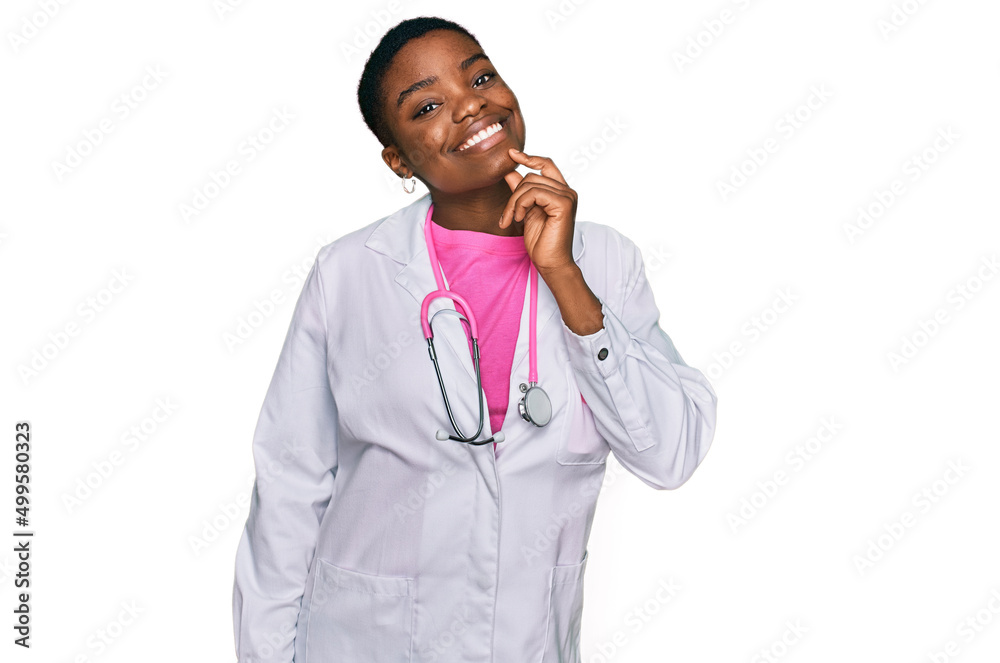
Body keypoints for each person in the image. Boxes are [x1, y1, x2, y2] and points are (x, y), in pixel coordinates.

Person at [232, 15, 718, 663]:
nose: (470, 105)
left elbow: (671, 454)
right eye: (427, 106)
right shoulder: (348, 273)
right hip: (362, 641)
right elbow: (290, 484)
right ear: (398, 159)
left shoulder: (604, 262)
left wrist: (564, 277)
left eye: (481, 78)